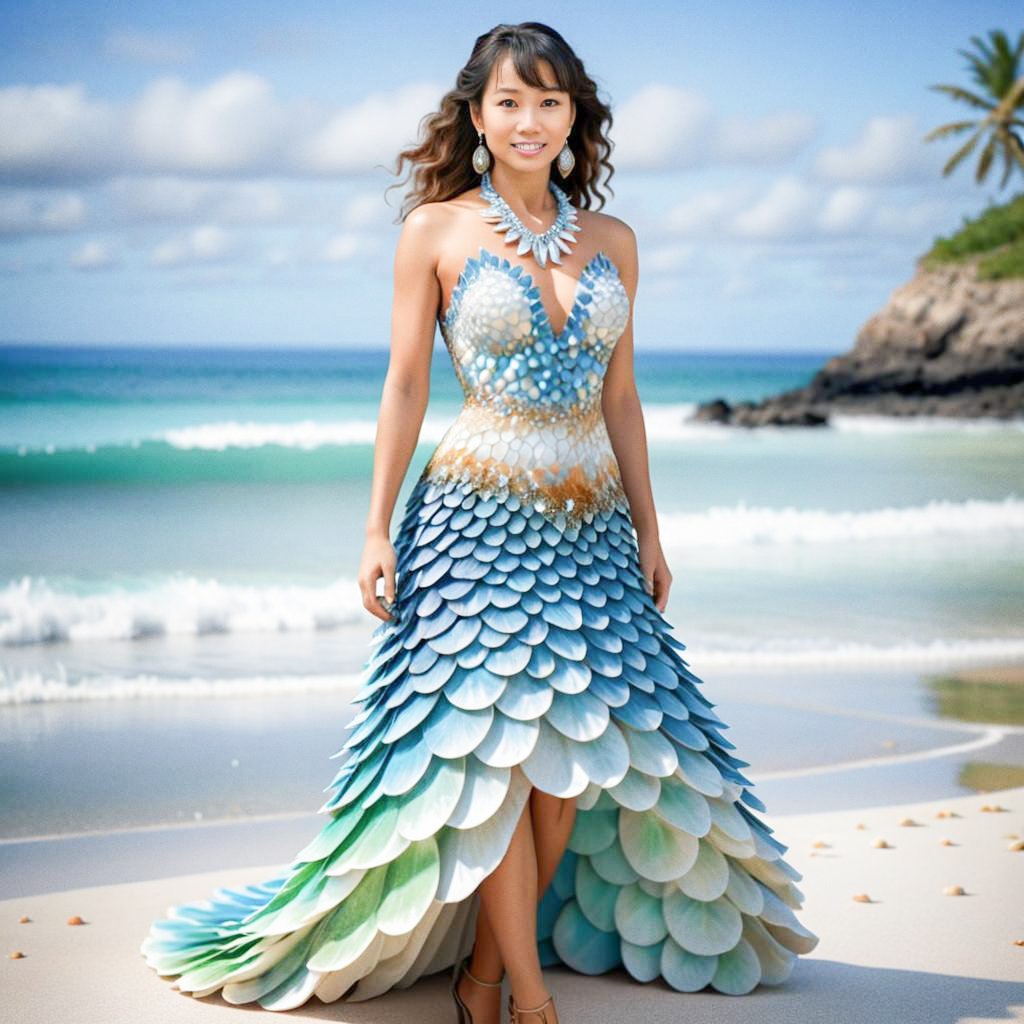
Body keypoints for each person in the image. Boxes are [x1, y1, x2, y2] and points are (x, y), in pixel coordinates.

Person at [140, 21, 819, 1024]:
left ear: (574, 116)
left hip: (588, 527)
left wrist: (650, 528)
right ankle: (520, 995)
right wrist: (374, 528)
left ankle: (483, 970)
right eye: (509, 101)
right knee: (493, 759)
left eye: (549, 101)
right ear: (476, 115)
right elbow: (406, 383)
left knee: (570, 766)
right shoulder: (435, 231)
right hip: (471, 523)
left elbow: (621, 400)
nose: (529, 120)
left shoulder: (616, 243)